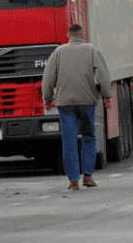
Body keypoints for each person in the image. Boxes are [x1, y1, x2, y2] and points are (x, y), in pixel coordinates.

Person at [41, 22, 112, 191]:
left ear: (68, 35)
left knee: (70, 141)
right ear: (82, 35)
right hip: (87, 101)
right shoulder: (91, 50)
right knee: (89, 137)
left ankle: (73, 181)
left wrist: (47, 97)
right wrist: (107, 95)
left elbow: (48, 77)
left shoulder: (59, 52)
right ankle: (88, 176)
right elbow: (102, 74)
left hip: (65, 103)